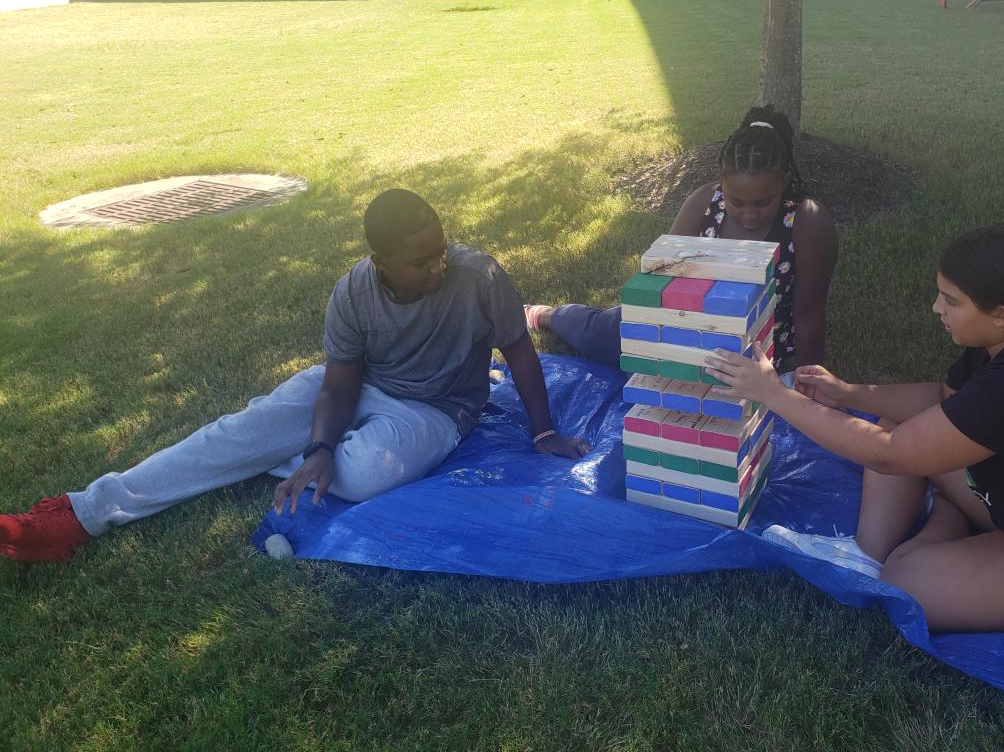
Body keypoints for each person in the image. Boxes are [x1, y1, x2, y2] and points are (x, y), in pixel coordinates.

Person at [1, 189, 590, 563]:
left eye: (440, 249)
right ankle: (82, 512)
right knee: (234, 432)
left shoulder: (480, 276)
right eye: (420, 259)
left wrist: (542, 433)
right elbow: (339, 382)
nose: (439, 264)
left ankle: (282, 459)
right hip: (360, 388)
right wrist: (318, 443)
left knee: (357, 476)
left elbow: (518, 352)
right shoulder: (354, 290)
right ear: (380, 260)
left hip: (436, 411)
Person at [706, 222, 1004, 635]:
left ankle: (943, 523)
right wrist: (850, 394)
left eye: (951, 300)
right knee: (902, 423)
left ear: (1002, 313)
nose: (936, 307)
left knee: (906, 582)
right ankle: (867, 551)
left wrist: (775, 394)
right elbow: (940, 399)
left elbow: (889, 454)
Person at [526, 105, 839, 371]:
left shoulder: (807, 223)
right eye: (737, 202)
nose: (749, 215)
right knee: (604, 332)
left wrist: (807, 387)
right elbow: (661, 280)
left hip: (761, 356)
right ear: (721, 185)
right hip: (686, 330)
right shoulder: (704, 205)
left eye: (763, 202)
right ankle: (548, 316)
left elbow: (809, 317)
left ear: (784, 182)